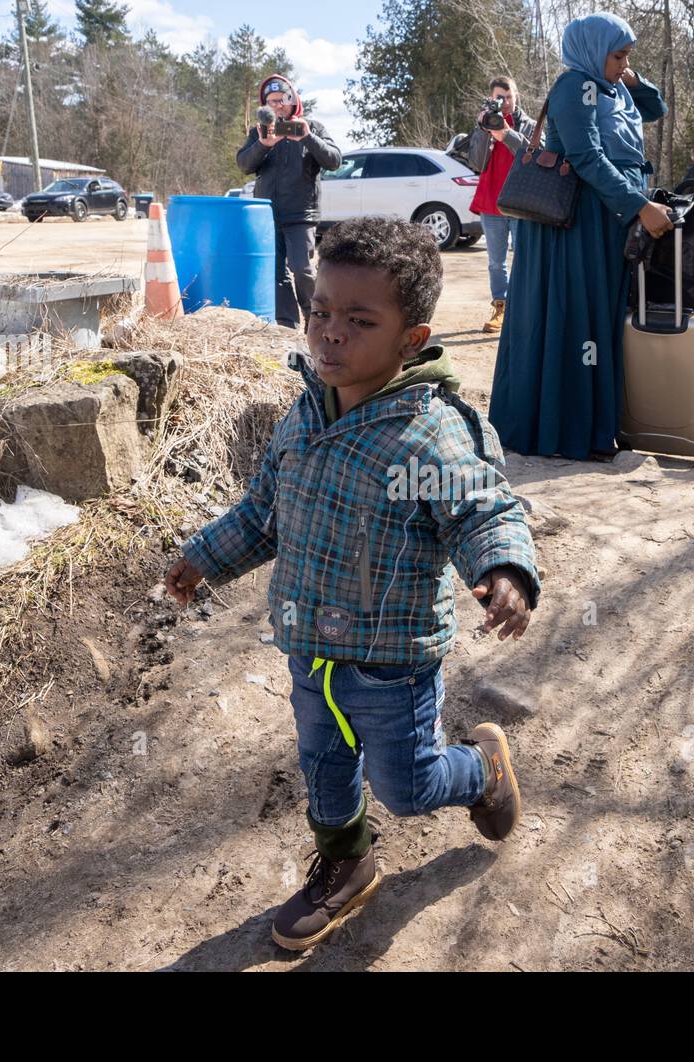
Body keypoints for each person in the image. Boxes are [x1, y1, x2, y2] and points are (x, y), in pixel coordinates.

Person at [163, 217, 541, 951]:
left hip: (392, 664)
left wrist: (501, 569)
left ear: (411, 337)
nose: (330, 333)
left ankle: (482, 767)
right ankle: (346, 864)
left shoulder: (426, 432)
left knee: (407, 787)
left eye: (358, 321)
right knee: (324, 766)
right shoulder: (301, 418)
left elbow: (481, 509)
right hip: (309, 650)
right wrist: (206, 555)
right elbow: (263, 515)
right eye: (321, 312)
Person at [490, 12, 674, 461]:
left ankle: (592, 427)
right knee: (574, 320)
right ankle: (561, 431)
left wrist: (630, 73)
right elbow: (586, 156)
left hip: (604, 219)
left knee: (596, 319)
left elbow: (656, 108)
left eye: (627, 55)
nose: (622, 63)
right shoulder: (576, 86)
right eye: (617, 54)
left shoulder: (613, 88)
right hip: (573, 226)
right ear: (593, 52)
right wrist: (640, 205)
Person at [237, 73, 342, 330]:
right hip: (267, 215)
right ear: (265, 106)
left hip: (301, 214)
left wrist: (306, 137)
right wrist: (263, 145)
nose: (277, 106)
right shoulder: (258, 132)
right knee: (275, 272)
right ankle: (286, 325)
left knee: (303, 269)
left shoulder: (312, 127)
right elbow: (243, 164)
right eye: (270, 102)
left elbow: (334, 161)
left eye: (281, 100)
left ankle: (315, 320)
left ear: (292, 99)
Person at [466, 75, 537, 334]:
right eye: (499, 97)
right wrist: (484, 130)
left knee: (523, 258)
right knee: (496, 262)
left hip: (520, 202)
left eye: (508, 97)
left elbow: (532, 154)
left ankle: (524, 309)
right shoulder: (485, 124)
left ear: (516, 96)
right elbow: (475, 162)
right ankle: (501, 307)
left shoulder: (529, 124)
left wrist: (505, 134)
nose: (505, 102)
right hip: (491, 201)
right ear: (491, 99)